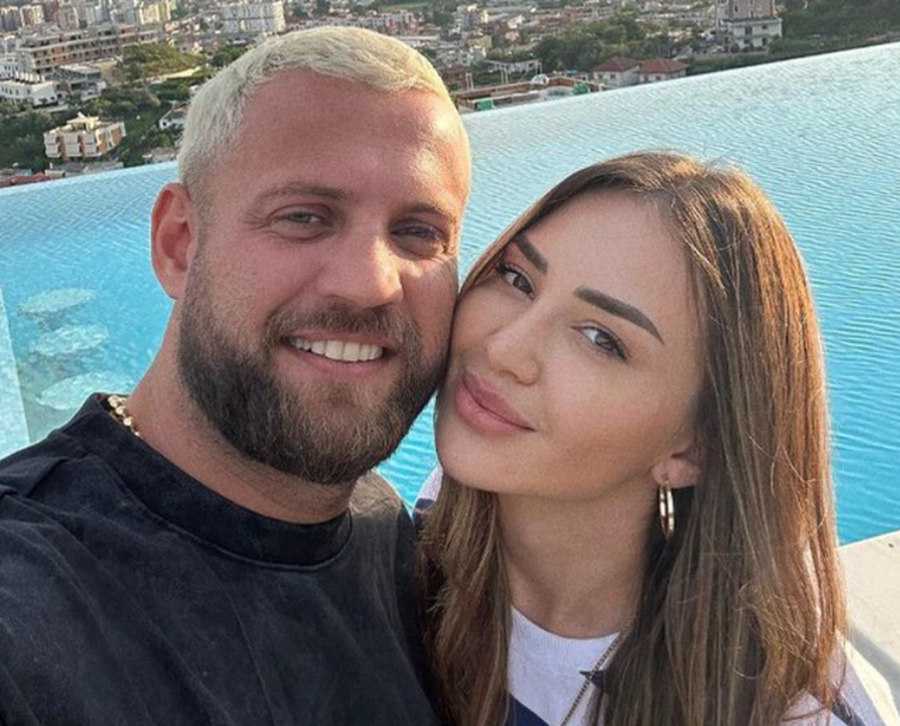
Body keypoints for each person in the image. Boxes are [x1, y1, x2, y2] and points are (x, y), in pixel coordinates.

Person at [0, 27, 470, 725]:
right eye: (303, 217)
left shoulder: (382, 528)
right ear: (179, 244)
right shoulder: (31, 602)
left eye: (419, 233)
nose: (370, 284)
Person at [417, 151, 899, 726]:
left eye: (601, 338)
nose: (502, 349)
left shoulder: (785, 711)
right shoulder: (429, 528)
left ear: (693, 449)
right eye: (518, 279)